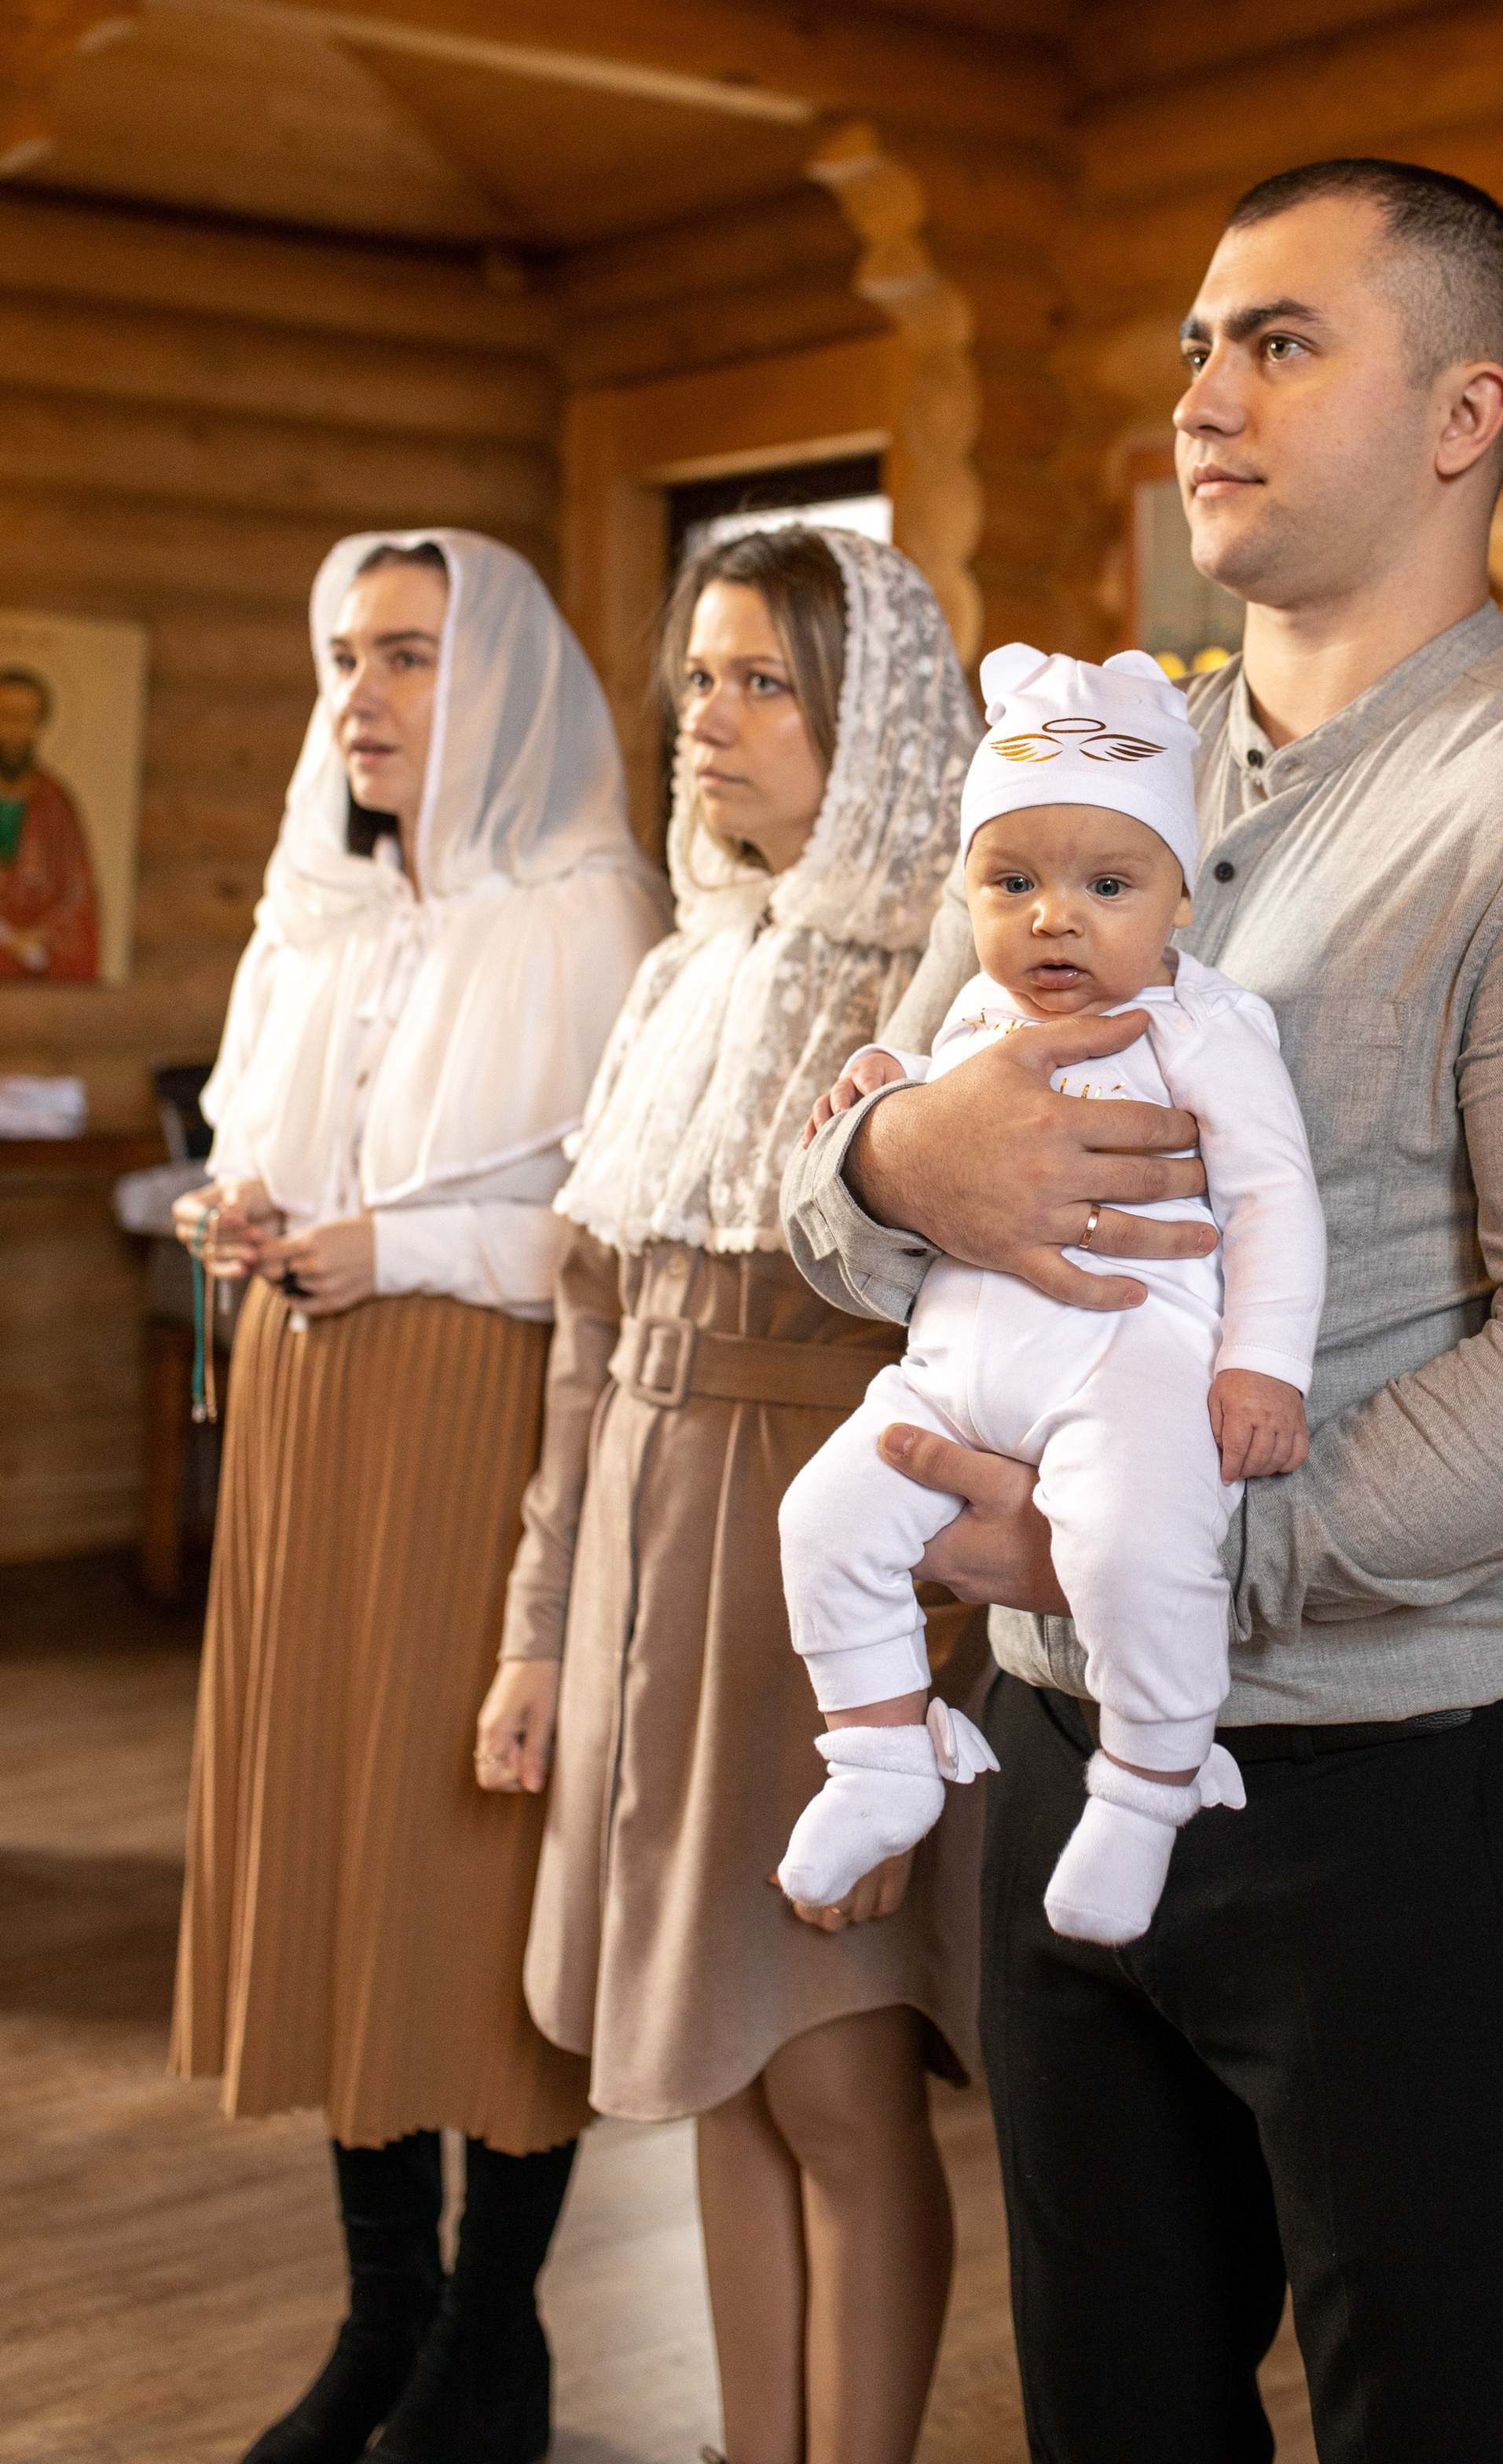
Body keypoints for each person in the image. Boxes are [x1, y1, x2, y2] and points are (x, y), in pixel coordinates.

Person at [783, 158, 1503, 2464]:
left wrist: (1169, 1548)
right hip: (1058, 1735)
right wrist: (888, 1163)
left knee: (1452, 2410)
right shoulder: (1092, 771)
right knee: (1112, 2398)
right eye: (1196, 345)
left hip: (1414, 1776)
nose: (1202, 394)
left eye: (1280, 341)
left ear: (1461, 413)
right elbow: (844, 1172)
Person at [475, 525, 984, 2464]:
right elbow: (586, 1340)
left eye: (762, 680)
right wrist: (539, 1630)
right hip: (648, 1556)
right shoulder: (688, 972)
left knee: (834, 2075)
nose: (707, 716)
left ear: (870, 722)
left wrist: (914, 1680)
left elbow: (981, 1366)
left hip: (821, 1578)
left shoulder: (934, 988)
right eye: (698, 677)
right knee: (711, 2057)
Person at [172, 530, 666, 2464]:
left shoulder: (595, 915)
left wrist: (405, 1248)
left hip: (486, 1421)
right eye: (343, 657)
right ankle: (383, 2318)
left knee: (470, 1873)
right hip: (307, 1419)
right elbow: (279, 1138)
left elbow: (618, 1242)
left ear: (509, 685)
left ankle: (491, 2331)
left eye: (407, 657)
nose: (360, 697)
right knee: (336, 1857)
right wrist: (247, 1209)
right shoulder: (327, 908)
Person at [779, 641, 1324, 1948]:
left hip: (1126, 1362)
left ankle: (1144, 1785)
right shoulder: (975, 1012)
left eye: (1107, 885)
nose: (1053, 919)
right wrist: (885, 1090)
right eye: (1011, 882)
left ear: (1180, 894)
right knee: (822, 1521)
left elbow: (1275, 1199)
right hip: (949, 1376)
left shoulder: (1206, 1031)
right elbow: (925, 1115)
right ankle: (879, 1755)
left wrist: (1265, 1364)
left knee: (1137, 1551)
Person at [0, 664, 99, 979]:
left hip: (34, 965)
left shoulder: (54, 803)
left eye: (25, 718)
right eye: (5, 715)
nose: (13, 730)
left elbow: (78, 895)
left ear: (40, 724)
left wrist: (40, 935)